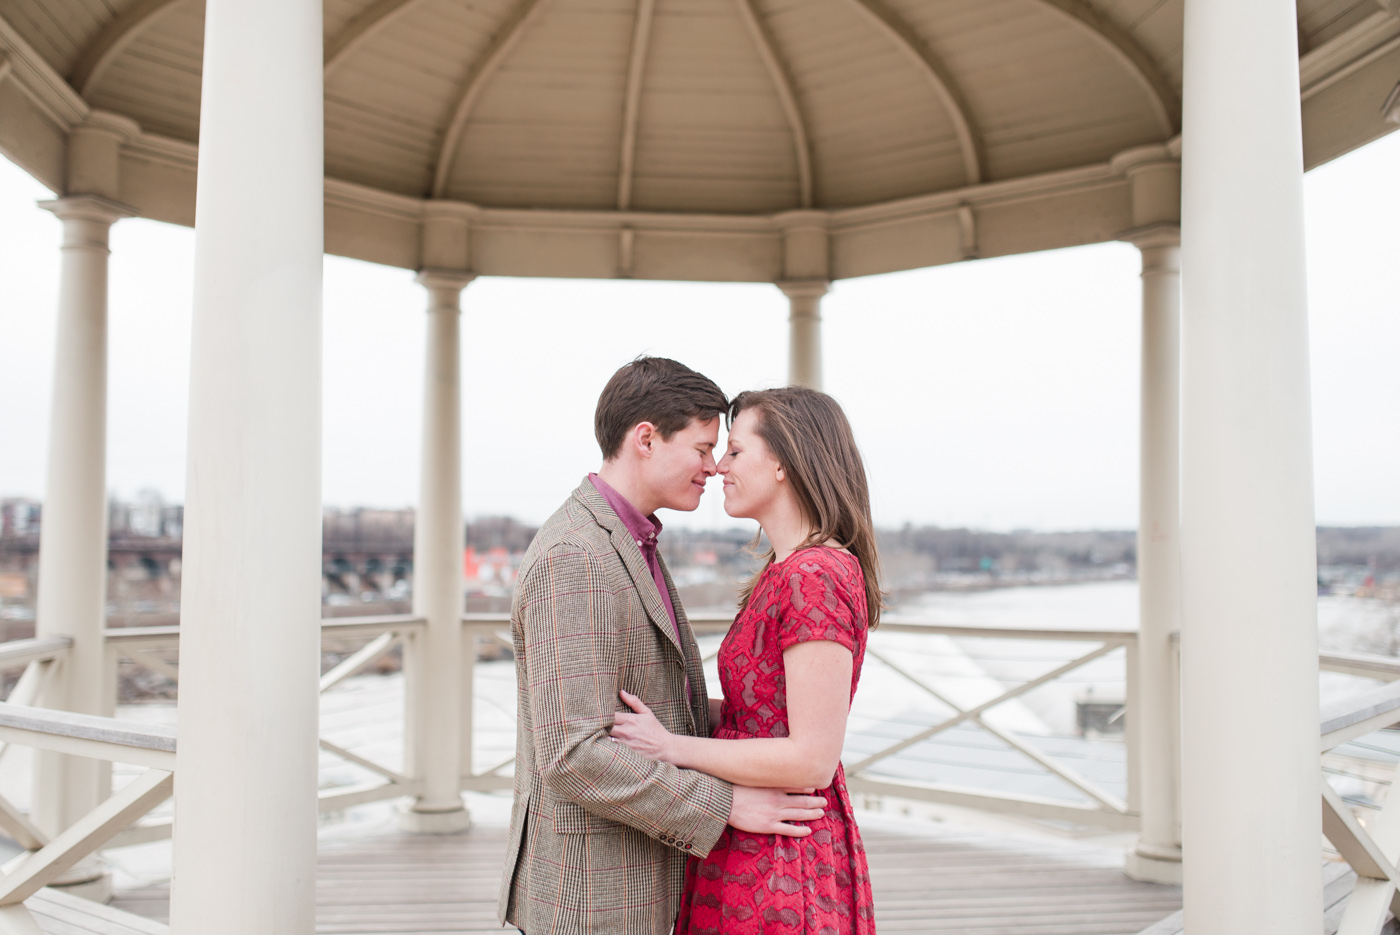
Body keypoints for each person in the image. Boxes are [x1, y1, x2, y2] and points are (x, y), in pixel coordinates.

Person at [499, 358, 829, 935]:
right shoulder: (575, 556)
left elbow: (648, 707)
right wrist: (727, 805)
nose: (713, 468)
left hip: (645, 882)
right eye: (702, 449)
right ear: (645, 439)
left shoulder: (633, 540)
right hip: (594, 898)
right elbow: (573, 754)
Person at [611, 385, 881, 934]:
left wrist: (670, 747)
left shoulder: (815, 576)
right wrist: (669, 712)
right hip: (751, 840)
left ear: (782, 461)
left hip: (784, 859)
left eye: (734, 451)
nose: (718, 468)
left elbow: (811, 758)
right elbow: (757, 717)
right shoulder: (786, 572)